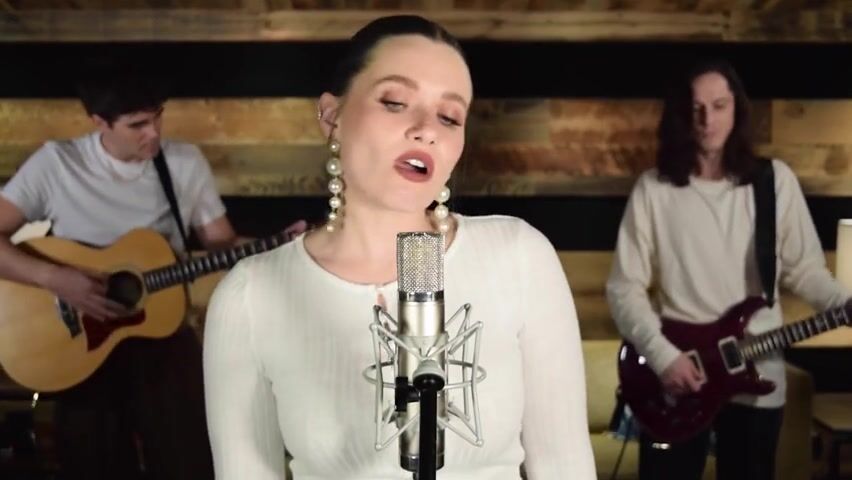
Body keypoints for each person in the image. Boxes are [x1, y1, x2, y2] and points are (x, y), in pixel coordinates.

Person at [203, 14, 596, 480]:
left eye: (449, 117)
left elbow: (566, 466)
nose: (427, 129)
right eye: (395, 102)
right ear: (331, 115)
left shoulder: (519, 256)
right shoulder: (251, 294)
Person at [0, 62, 304, 480]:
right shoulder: (57, 163)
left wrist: (280, 244)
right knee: (93, 461)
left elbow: (221, 244)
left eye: (158, 117)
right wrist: (55, 279)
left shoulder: (183, 162)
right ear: (99, 122)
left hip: (162, 331)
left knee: (191, 458)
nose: (154, 133)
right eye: (137, 125)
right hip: (77, 340)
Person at [606, 59, 851, 480]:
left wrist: (843, 304)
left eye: (719, 106)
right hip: (679, 373)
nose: (708, 120)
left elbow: (805, 270)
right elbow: (623, 288)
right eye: (697, 108)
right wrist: (664, 357)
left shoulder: (774, 182)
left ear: (737, 108)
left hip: (758, 376)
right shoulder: (655, 189)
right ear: (681, 114)